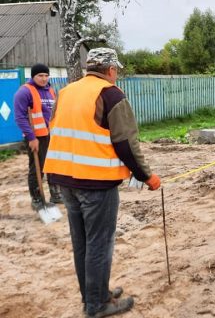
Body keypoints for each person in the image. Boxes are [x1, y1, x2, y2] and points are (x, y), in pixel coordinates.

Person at [43, 48, 161, 318]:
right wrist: (147, 176)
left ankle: (93, 295)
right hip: (95, 184)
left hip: (64, 180)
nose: (116, 75)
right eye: (116, 70)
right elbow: (126, 144)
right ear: (110, 70)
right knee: (99, 244)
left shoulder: (66, 92)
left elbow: (58, 131)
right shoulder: (111, 94)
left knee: (82, 242)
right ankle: (97, 305)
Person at [14, 63, 62, 210]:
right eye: (40, 75)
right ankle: (37, 199)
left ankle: (55, 194)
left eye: (46, 75)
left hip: (51, 135)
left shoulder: (51, 91)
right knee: (37, 168)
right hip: (36, 137)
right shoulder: (24, 92)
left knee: (53, 165)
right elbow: (20, 117)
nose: (44, 78)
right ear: (33, 76)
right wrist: (31, 138)